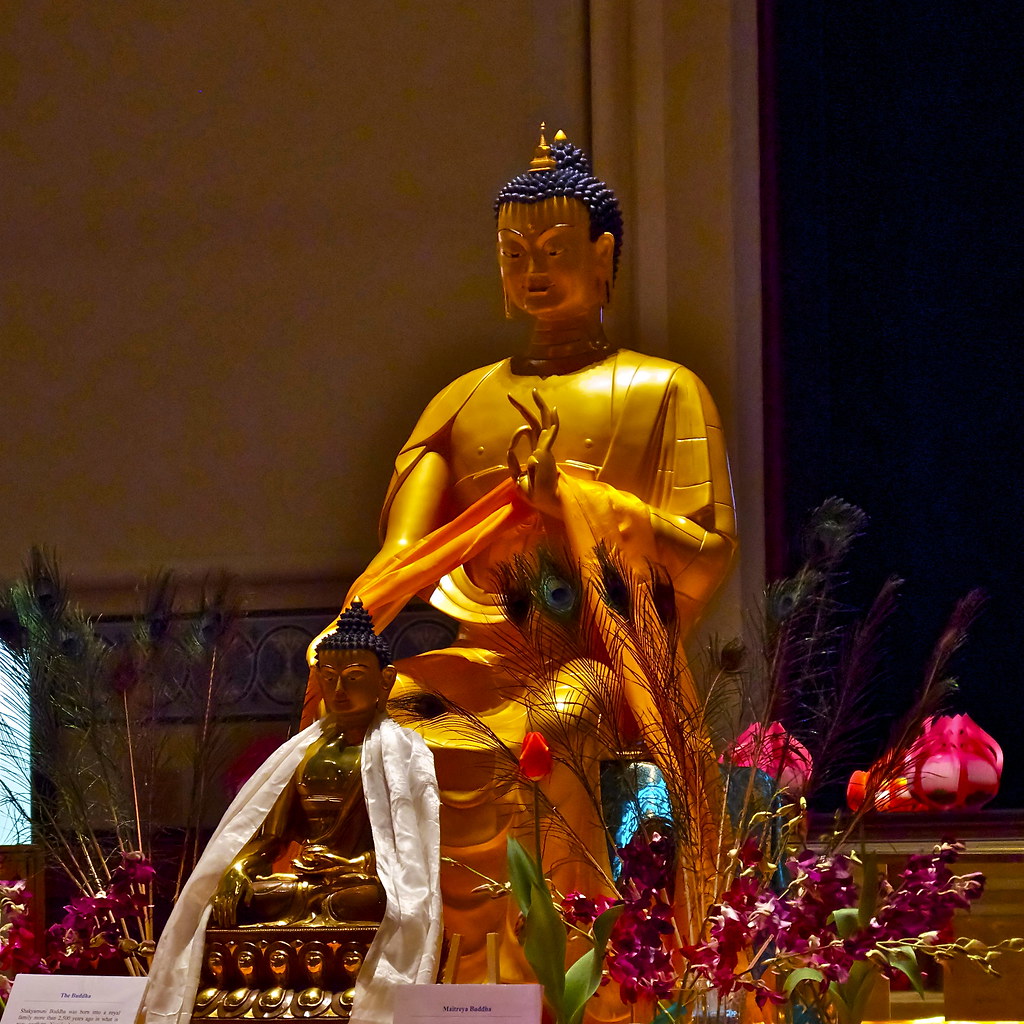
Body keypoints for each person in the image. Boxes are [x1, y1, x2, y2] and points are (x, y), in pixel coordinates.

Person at [304, 129, 737, 989]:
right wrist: (353, 637)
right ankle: (403, 968)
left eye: (555, 250)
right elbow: (400, 562)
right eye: (513, 253)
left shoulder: (663, 391)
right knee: (374, 713)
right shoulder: (461, 402)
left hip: (604, 663)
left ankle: (562, 975)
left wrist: (575, 504)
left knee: (561, 720)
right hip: (488, 657)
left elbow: (707, 552)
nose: (532, 270)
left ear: (604, 255)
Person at [139, 601, 440, 1024]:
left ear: (385, 681)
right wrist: (239, 871)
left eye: (353, 679)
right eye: (329, 679)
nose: (338, 691)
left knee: (370, 902)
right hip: (302, 883)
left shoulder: (403, 754)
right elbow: (271, 837)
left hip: (356, 885)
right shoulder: (303, 756)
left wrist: (350, 865)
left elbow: (405, 853)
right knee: (251, 899)